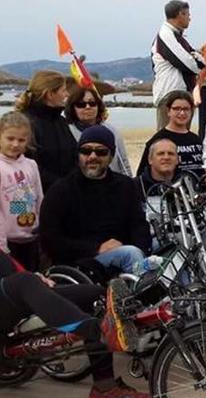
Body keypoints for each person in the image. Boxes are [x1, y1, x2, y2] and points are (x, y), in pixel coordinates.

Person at [0, 150, 152, 398]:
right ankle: (96, 331)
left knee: (94, 294)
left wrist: (32, 276)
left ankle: (104, 387)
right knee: (23, 284)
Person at [41, 125, 150, 274]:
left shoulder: (126, 186)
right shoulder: (61, 190)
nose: (92, 156)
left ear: (111, 156)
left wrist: (139, 249)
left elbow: (139, 226)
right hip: (81, 261)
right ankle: (147, 293)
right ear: (78, 154)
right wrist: (96, 248)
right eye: (86, 151)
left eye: (101, 152)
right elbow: (50, 239)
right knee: (130, 254)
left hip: (124, 253)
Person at [0, 112, 43, 270]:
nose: (15, 144)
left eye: (21, 140)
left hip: (32, 238)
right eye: (10, 138)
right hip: (8, 243)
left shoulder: (31, 164)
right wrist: (0, 245)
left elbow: (39, 198)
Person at [16, 70, 77, 192]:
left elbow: (74, 155)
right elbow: (25, 164)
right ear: (49, 94)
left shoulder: (61, 121)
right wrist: (61, 185)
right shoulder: (24, 123)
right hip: (32, 195)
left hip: (66, 194)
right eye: (63, 90)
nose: (67, 94)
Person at [151, 0, 205, 129]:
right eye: (187, 14)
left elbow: (200, 61)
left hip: (181, 94)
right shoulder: (166, 35)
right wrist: (196, 60)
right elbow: (190, 64)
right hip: (170, 94)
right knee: (166, 140)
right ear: (180, 14)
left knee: (182, 138)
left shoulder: (177, 36)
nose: (190, 18)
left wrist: (197, 60)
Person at [65, 86, 131, 177]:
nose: (87, 107)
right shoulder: (66, 132)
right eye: (81, 104)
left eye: (92, 103)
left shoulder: (111, 131)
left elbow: (124, 163)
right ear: (73, 108)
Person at [136, 90, 204, 177]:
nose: (182, 113)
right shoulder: (158, 140)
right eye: (177, 109)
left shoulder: (197, 140)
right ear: (168, 111)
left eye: (186, 109)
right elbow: (142, 175)